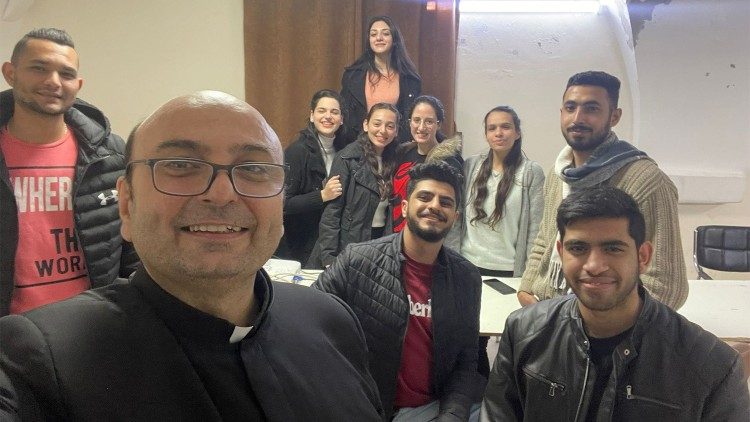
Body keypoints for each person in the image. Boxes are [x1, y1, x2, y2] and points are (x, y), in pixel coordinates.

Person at [0, 91, 383, 421]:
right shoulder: (37, 360)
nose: (221, 194)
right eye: (180, 166)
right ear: (127, 205)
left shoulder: (332, 320)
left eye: (252, 168)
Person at [481, 186, 750, 421]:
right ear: (561, 254)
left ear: (643, 256)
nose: (594, 265)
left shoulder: (712, 366)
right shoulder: (523, 330)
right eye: (578, 248)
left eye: (613, 248)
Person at [314, 162, 485, 422]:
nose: (435, 206)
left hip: (429, 409)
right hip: (362, 407)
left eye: (446, 202)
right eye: (425, 197)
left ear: (455, 217)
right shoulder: (357, 261)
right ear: (404, 207)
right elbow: (311, 325)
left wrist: (452, 416)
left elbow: (466, 360)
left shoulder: (467, 278)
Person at [518, 71, 688, 310]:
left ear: (614, 116)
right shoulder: (558, 175)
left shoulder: (646, 181)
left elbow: (667, 285)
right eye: (570, 107)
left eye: (592, 109)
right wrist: (527, 288)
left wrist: (599, 323)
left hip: (604, 328)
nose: (578, 118)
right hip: (549, 312)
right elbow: (545, 240)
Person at [0, 28, 138, 316]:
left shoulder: (111, 153)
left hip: (92, 326)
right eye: (39, 68)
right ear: (10, 73)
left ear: (78, 83)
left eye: (65, 73)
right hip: (9, 333)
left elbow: (131, 242)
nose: (53, 82)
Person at [449, 106, 545, 378]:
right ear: (486, 133)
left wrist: (530, 276)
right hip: (469, 268)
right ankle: (475, 399)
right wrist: (452, 259)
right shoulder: (470, 166)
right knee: (470, 345)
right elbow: (456, 221)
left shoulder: (531, 172)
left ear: (517, 132)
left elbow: (537, 229)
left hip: (509, 275)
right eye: (492, 128)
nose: (498, 133)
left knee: (511, 345)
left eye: (505, 127)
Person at [311, 102, 400, 268]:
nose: (382, 131)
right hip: (349, 243)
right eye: (377, 124)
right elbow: (332, 213)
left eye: (390, 126)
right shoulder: (347, 158)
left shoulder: (397, 160)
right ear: (366, 125)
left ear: (396, 131)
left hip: (382, 241)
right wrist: (329, 258)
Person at [276, 89, 348, 264]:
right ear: (312, 115)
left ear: (341, 119)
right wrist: (322, 195)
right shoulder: (297, 151)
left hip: (331, 238)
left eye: (334, 112)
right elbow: (284, 203)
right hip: (301, 241)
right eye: (321, 111)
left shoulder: (346, 149)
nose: (328, 116)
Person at [340, 15, 421, 144]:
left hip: (395, 148)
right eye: (373, 34)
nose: (379, 38)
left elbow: (412, 119)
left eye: (385, 34)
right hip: (359, 146)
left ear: (394, 39)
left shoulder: (410, 79)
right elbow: (344, 114)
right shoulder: (352, 75)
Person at [391, 95, 462, 233]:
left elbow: (453, 210)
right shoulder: (402, 154)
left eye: (429, 121)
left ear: (438, 124)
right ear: (410, 122)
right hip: (396, 236)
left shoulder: (449, 163)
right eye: (417, 120)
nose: (421, 127)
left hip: (427, 239)